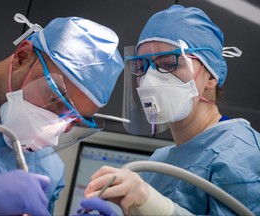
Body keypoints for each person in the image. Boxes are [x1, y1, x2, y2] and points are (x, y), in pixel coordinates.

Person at [78, 4, 260, 216]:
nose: (149, 79)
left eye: (168, 64)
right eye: (141, 67)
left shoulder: (242, 156)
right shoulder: (158, 162)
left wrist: (161, 209)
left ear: (210, 76)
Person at [0, 12, 124, 216]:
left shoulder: (45, 169)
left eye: (73, 120)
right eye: (55, 100)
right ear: (22, 57)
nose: (55, 126)